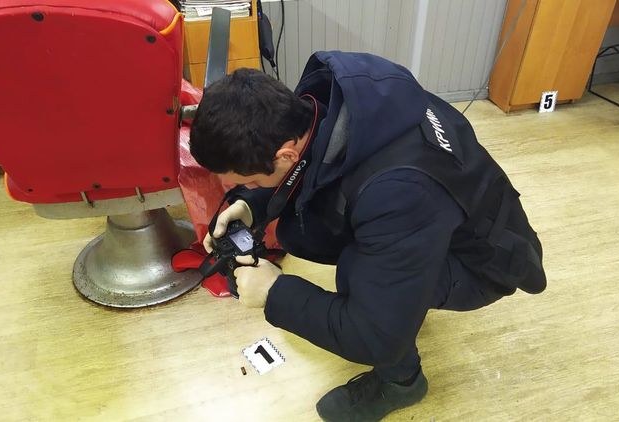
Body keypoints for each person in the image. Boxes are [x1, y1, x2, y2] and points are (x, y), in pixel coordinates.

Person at [189, 52, 546, 422]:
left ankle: (402, 383)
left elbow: (375, 338)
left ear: (285, 155)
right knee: (331, 239)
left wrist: (274, 292)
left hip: (482, 265)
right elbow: (314, 167)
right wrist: (251, 203)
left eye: (249, 182)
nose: (247, 188)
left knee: (357, 272)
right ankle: (402, 296)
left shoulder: (399, 194)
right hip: (440, 218)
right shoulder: (334, 95)